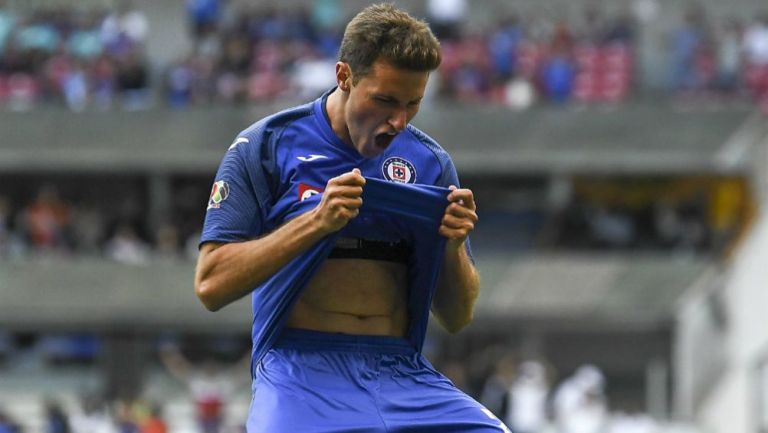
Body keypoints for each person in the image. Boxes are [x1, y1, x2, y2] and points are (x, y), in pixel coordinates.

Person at [194, 3, 509, 432]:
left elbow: (456, 317)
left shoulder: (431, 163)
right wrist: (317, 222)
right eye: (384, 101)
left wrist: (452, 247)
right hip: (300, 373)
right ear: (344, 76)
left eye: (412, 104)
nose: (398, 121)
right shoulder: (266, 146)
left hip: (402, 374)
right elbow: (210, 284)